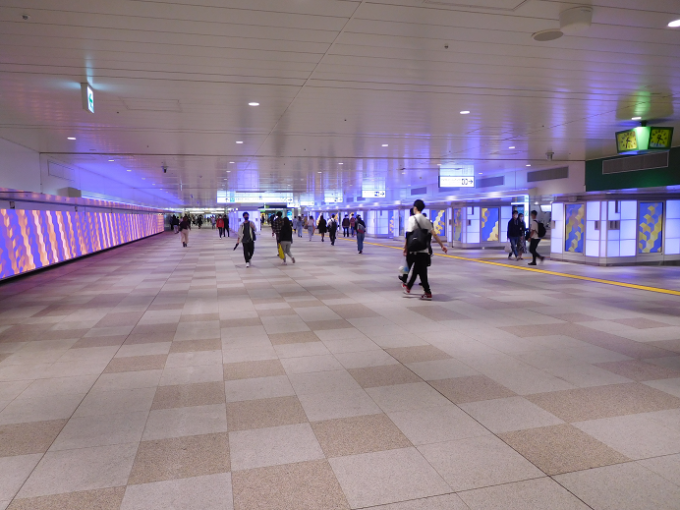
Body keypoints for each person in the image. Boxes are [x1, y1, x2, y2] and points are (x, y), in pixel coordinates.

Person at [403, 199, 448, 300]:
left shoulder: (412, 219)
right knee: (420, 270)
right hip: (423, 250)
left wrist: (405, 247)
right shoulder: (427, 220)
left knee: (419, 271)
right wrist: (442, 245)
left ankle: (426, 291)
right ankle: (414, 288)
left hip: (414, 250)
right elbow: (434, 234)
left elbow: (408, 235)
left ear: (415, 208)